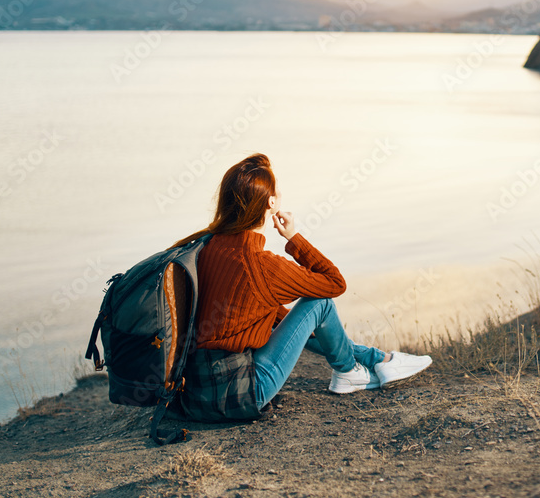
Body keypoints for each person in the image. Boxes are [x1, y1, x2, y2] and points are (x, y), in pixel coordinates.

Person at [174, 153, 432, 414]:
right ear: (271, 202)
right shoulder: (260, 265)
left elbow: (269, 316)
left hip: (195, 395)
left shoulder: (207, 247)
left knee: (296, 316)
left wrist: (358, 350)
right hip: (241, 395)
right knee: (319, 302)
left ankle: (375, 360)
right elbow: (334, 283)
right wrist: (294, 237)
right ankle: (348, 371)